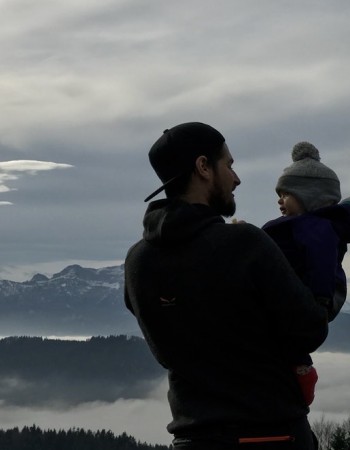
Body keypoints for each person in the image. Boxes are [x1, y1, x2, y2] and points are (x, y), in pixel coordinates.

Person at [124, 122, 329, 450]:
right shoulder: (246, 244)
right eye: (229, 165)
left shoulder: (137, 262)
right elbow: (311, 329)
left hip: (191, 438)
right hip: (270, 435)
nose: (236, 178)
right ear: (203, 167)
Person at [261, 141, 350, 407]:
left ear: (308, 196)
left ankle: (303, 374)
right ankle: (300, 374)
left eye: (286, 194)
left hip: (306, 299)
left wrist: (319, 300)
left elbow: (321, 264)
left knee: (289, 344)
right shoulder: (302, 226)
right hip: (294, 297)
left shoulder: (316, 229)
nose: (279, 200)